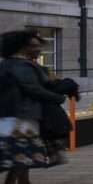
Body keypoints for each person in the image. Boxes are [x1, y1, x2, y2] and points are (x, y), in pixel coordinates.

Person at [1, 30, 78, 184]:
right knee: (21, 155)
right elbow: (32, 88)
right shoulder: (21, 65)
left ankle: (24, 182)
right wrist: (58, 97)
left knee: (22, 156)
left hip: (17, 115)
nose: (38, 49)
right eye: (34, 46)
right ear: (22, 47)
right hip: (21, 116)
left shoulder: (12, 64)